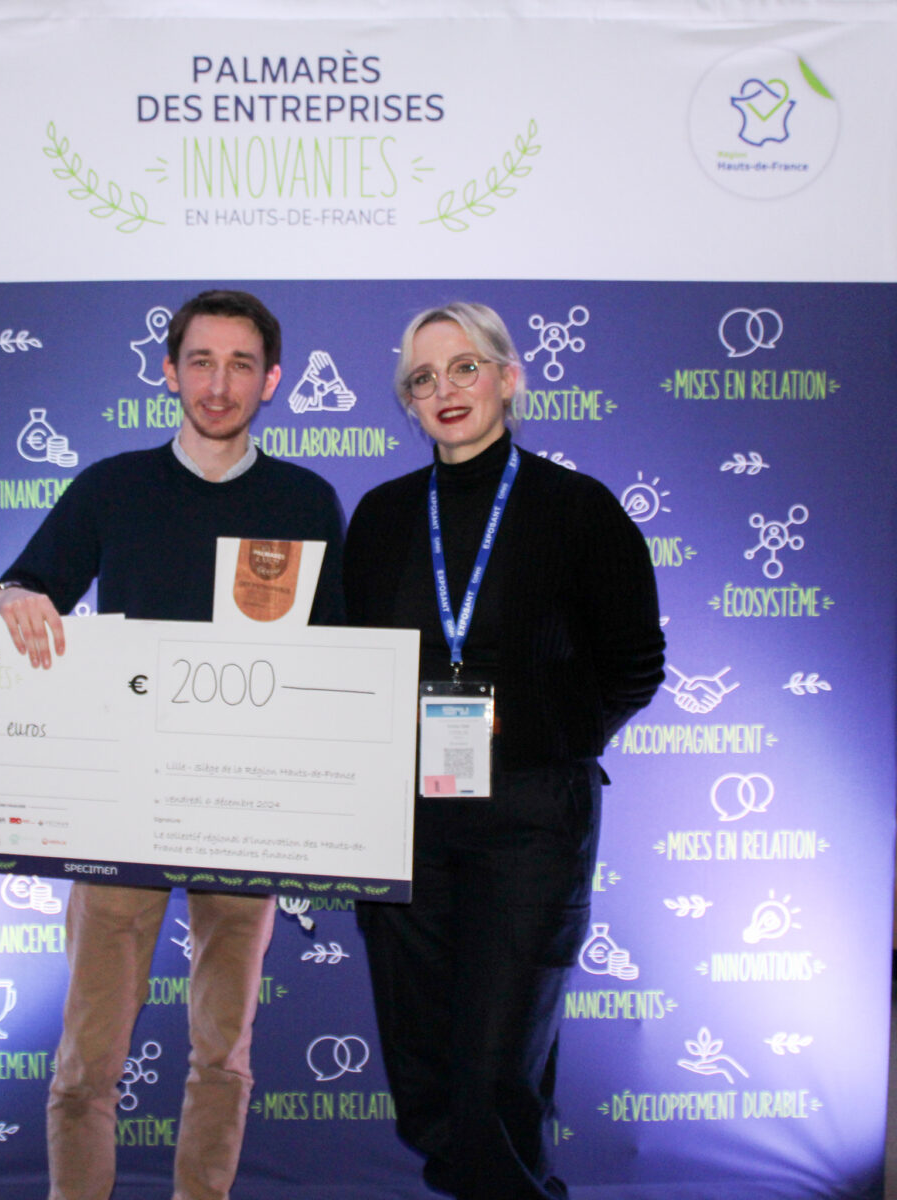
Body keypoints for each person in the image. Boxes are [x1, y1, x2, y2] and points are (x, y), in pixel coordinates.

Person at [0, 289, 344, 1200]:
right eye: (201, 362)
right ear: (170, 372)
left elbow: (343, 664)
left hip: (245, 805)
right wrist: (13, 597)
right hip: (121, 803)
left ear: (272, 381)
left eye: (240, 365)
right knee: (87, 1057)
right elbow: (19, 587)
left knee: (224, 1052)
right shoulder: (112, 486)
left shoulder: (305, 501)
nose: (219, 384)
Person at [343, 301, 664, 1200]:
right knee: (424, 1076)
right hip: (407, 826)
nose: (445, 390)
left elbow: (637, 664)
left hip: (530, 821)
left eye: (465, 368)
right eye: (422, 378)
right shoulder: (382, 516)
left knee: (493, 1076)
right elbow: (352, 664)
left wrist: (552, 741)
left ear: (508, 378)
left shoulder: (578, 509)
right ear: (408, 402)